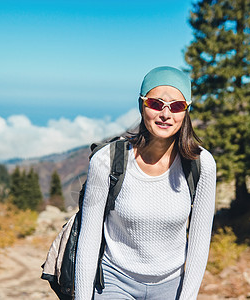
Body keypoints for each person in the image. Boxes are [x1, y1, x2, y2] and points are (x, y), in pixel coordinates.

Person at [75, 66, 217, 299]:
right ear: (142, 105)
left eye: (177, 106)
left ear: (186, 111)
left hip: (171, 286)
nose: (165, 114)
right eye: (156, 104)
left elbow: (199, 245)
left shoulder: (201, 164)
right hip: (113, 282)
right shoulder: (107, 160)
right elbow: (89, 238)